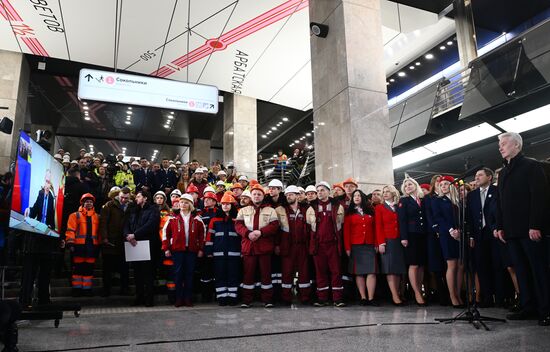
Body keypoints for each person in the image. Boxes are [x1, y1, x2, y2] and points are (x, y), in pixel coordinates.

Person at [495, 132, 550, 325]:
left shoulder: (531, 166)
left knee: (539, 270)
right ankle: (528, 306)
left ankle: (546, 309)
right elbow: (501, 202)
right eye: (499, 144)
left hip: (529, 229)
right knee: (521, 270)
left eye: (504, 143)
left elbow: (539, 197)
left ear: (516, 146)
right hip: (510, 231)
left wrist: (535, 224)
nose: (500, 147)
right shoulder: (502, 173)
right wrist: (499, 226)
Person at [235, 184, 279, 308]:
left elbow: (274, 226)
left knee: (266, 274)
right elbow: (238, 226)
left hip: (264, 247)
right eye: (254, 194)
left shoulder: (270, 210)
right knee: (248, 274)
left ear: (263, 196)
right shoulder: (244, 210)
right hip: (249, 247)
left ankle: (267, 300)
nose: (256, 196)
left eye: (259, 194)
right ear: (251, 196)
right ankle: (247, 300)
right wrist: (248, 233)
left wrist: (261, 232)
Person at [306, 181, 346, 307]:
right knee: (320, 272)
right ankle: (322, 298)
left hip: (333, 244)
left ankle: (337, 299)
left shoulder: (337, 206)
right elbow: (308, 228)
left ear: (329, 191)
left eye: (322, 190)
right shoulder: (311, 207)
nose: (319, 193)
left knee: (336, 271)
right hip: (318, 245)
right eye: (318, 191)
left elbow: (341, 225)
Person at [163, 194, 205, 307]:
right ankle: (179, 298)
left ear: (190, 205)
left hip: (191, 250)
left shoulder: (197, 219)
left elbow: (202, 235)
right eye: (181, 202)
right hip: (177, 250)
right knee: (178, 274)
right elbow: (165, 234)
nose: (183, 204)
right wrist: (166, 248)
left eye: (186, 202)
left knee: (189, 275)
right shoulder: (173, 217)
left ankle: (188, 298)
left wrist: (201, 248)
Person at [432, 176, 464, 308]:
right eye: (442, 184)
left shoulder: (459, 200)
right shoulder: (438, 201)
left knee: (460, 265)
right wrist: (451, 230)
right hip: (447, 234)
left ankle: (458, 293)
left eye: (446, 184)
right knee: (451, 264)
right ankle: (452, 296)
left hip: (460, 235)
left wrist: (460, 231)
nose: (444, 186)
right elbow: (438, 218)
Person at [124, 190, 160, 307]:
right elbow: (126, 225)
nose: (136, 199)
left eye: (138, 196)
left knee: (148, 274)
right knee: (137, 273)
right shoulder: (133, 210)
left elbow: (150, 225)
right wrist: (128, 236)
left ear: (145, 198)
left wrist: (135, 235)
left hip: (148, 245)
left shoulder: (153, 210)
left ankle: (149, 299)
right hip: (134, 245)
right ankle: (139, 297)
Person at [205, 192, 241, 306]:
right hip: (218, 254)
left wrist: (242, 251)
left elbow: (241, 237)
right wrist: (209, 251)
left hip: (234, 254)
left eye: (228, 204)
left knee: (233, 275)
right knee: (220, 275)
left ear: (232, 205)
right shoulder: (214, 220)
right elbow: (209, 236)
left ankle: (232, 298)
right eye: (223, 204)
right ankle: (222, 298)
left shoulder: (237, 220)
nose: (225, 206)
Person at [344, 190, 378, 306]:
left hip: (370, 245)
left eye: (359, 195)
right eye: (355, 196)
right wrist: (347, 248)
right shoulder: (349, 214)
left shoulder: (370, 211)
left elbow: (375, 229)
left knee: (372, 272)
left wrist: (377, 244)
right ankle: (363, 298)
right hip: (356, 246)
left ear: (362, 198)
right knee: (359, 273)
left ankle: (371, 298)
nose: (357, 197)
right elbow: (346, 232)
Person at [397, 176, 427, 306]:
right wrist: (404, 237)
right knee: (413, 264)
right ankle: (416, 293)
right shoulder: (404, 201)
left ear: (415, 185)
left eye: (410, 184)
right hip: (411, 234)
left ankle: (419, 289)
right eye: (406, 186)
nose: (408, 187)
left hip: (423, 234)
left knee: (421, 265)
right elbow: (402, 220)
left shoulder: (422, 199)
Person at [279, 185, 311, 305]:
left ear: (297, 196)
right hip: (288, 246)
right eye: (287, 195)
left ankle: (305, 297)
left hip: (303, 245)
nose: (288, 197)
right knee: (287, 272)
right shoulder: (281, 210)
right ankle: (286, 298)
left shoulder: (306, 209)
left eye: (291, 194)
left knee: (304, 272)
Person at [375, 185, 406, 306]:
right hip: (387, 241)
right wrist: (381, 242)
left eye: (388, 191)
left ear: (394, 193)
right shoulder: (379, 207)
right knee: (390, 269)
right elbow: (378, 226)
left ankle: (397, 293)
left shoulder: (399, 206)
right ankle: (394, 296)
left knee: (398, 269)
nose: (385, 193)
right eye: (384, 192)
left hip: (399, 240)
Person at [65, 193, 101, 297]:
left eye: (90, 202)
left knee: (89, 269)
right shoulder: (74, 215)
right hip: (78, 246)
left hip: (92, 246)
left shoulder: (97, 217)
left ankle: (87, 289)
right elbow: (70, 230)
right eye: (87, 202)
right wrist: (70, 243)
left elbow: (99, 232)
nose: (89, 203)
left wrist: (99, 244)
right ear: (83, 203)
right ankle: (76, 289)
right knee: (78, 268)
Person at [99, 187, 132, 297]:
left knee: (124, 268)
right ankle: (106, 289)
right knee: (107, 267)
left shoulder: (132, 206)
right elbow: (103, 222)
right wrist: (104, 237)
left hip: (124, 241)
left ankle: (125, 288)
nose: (123, 200)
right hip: (111, 241)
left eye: (126, 198)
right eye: (122, 197)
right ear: (119, 195)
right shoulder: (109, 205)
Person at [197, 191, 219, 302]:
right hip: (204, 248)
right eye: (205, 199)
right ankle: (206, 296)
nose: (205, 200)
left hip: (217, 247)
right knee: (205, 272)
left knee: (217, 271)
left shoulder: (219, 213)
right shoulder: (200, 215)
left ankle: (217, 294)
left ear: (215, 202)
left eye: (209, 199)